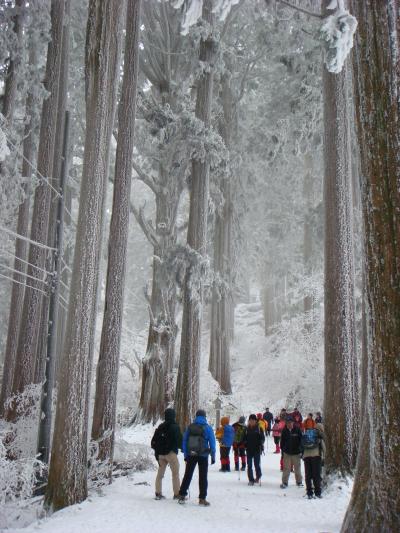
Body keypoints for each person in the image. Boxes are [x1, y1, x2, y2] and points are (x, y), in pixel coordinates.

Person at [178, 409, 216, 506]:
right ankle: (202, 499)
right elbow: (212, 443)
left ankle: (182, 495)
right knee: (203, 477)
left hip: (191, 455)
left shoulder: (190, 427)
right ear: (204, 417)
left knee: (188, 475)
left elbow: (185, 441)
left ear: (196, 416)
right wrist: (213, 455)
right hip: (203, 455)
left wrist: (186, 455)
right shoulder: (208, 428)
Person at [151, 408, 182, 500]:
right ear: (173, 416)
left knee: (160, 475)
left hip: (160, 454)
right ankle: (176, 494)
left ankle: (158, 493)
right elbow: (179, 441)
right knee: (175, 474)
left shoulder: (161, 426)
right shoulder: (175, 427)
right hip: (171, 454)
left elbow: (153, 441)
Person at [303, 422, 326, 499]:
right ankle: (317, 492)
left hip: (306, 456)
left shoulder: (307, 433)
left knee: (308, 475)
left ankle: (309, 492)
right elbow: (324, 448)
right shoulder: (319, 435)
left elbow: (302, 445)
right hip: (316, 456)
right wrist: (324, 458)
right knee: (316, 475)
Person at [280, 416, 303, 488]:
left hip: (296, 453)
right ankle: (284, 482)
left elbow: (301, 440)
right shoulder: (284, 430)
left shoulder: (297, 429)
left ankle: (299, 482)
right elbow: (282, 442)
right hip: (287, 453)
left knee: (297, 468)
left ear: (293, 422)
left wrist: (301, 449)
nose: (289, 424)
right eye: (287, 423)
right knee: (286, 468)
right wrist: (283, 450)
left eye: (290, 422)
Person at [243, 414, 265, 486]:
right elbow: (244, 438)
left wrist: (261, 442)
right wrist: (244, 443)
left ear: (255, 421)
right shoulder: (246, 429)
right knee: (249, 465)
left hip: (257, 449)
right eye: (250, 420)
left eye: (253, 420)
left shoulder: (259, 428)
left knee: (256, 465)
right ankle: (251, 479)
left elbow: (262, 438)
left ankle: (258, 476)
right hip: (249, 449)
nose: (251, 422)